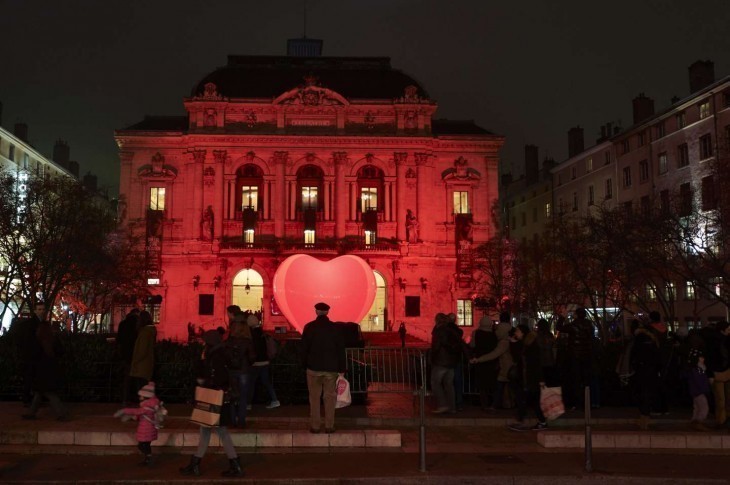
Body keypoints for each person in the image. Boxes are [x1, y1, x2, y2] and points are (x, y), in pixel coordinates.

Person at [180, 330, 243, 477]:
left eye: (204, 342)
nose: (203, 344)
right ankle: (199, 463)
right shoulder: (218, 354)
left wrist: (204, 377)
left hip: (214, 399)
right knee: (211, 431)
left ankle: (198, 464)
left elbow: (216, 377)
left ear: (210, 343)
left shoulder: (215, 356)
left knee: (213, 431)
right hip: (217, 398)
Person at [301, 302, 346, 433]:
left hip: (313, 368)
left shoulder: (309, 327)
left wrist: (304, 364)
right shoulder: (335, 328)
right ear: (327, 312)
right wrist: (342, 368)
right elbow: (340, 350)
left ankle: (315, 426)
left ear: (316, 311)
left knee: (314, 398)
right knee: (330, 397)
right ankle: (329, 425)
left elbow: (304, 348)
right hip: (331, 369)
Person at [22, 320, 68, 421]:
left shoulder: (38, 341)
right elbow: (61, 352)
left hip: (40, 371)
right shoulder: (54, 340)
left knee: (46, 393)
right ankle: (32, 413)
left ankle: (61, 414)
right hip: (51, 370)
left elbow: (33, 356)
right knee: (42, 392)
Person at [507, 324, 548, 431]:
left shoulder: (529, 345)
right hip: (527, 378)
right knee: (528, 400)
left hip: (530, 378)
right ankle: (538, 421)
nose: (516, 333)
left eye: (517, 331)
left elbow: (535, 363)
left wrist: (541, 379)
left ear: (523, 332)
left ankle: (526, 421)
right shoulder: (526, 344)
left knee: (527, 400)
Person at [470, 312, 514, 410]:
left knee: (484, 385)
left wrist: (477, 358)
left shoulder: (477, 333)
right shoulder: (496, 335)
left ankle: (488, 405)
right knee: (495, 384)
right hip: (493, 363)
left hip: (482, 360)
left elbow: (472, 345)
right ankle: (500, 404)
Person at [114, 381, 164, 466]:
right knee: (145, 445)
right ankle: (148, 459)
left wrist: (124, 411)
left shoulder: (147, 406)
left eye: (141, 395)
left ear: (146, 396)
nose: (139, 397)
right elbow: (142, 415)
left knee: (142, 445)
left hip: (147, 429)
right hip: (148, 428)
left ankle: (149, 458)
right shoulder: (149, 404)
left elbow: (138, 411)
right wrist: (133, 417)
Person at [226, 313, 255, 428]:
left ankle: (232, 420)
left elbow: (225, 355)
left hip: (231, 370)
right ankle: (241, 420)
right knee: (243, 396)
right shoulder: (247, 341)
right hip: (244, 370)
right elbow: (253, 357)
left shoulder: (229, 341)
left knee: (232, 395)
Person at [631, 322, 661, 430]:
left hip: (641, 369)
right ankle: (647, 414)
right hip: (651, 369)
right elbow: (657, 356)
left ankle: (644, 415)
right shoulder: (653, 340)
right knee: (648, 392)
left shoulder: (638, 339)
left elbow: (633, 354)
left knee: (641, 392)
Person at [429, 313, 462, 414]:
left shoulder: (439, 330)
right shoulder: (451, 330)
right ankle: (452, 407)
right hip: (451, 361)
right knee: (449, 384)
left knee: (435, 383)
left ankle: (442, 404)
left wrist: (431, 356)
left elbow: (436, 346)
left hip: (441, 360)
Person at [246, 314, 280, 410]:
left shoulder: (251, 334)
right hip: (265, 361)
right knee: (266, 382)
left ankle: (248, 403)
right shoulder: (263, 333)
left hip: (256, 362)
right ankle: (275, 400)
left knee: (251, 383)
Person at [469, 316, 498, 411]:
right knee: (492, 383)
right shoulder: (494, 334)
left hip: (479, 360)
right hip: (491, 361)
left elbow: (472, 345)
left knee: (482, 385)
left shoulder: (476, 333)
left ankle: (484, 405)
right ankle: (493, 404)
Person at [129, 311, 156, 394]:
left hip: (141, 367)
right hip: (145, 366)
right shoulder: (149, 331)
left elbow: (142, 351)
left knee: (141, 391)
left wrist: (135, 361)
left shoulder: (145, 333)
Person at [117, 309, 139, 405]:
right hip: (136, 353)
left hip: (125, 354)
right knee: (138, 378)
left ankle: (125, 399)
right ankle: (137, 399)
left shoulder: (123, 324)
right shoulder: (138, 324)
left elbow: (119, 339)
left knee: (126, 378)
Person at [685, 349, 711, 431]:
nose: (703, 359)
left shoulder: (698, 369)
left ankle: (694, 422)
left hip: (696, 392)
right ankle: (698, 422)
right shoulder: (697, 370)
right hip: (699, 392)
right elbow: (699, 381)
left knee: (697, 408)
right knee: (704, 408)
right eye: (701, 358)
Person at [535, 319, 557, 387]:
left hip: (541, 361)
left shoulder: (537, 336)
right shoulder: (550, 335)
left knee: (542, 383)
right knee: (550, 382)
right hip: (550, 361)